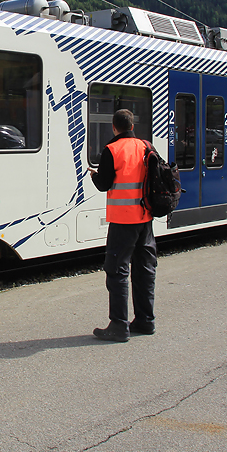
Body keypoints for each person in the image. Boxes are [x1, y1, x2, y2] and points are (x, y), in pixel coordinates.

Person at [87, 108, 157, 342]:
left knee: (117, 271)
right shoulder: (146, 146)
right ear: (132, 126)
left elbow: (104, 184)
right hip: (145, 219)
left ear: (114, 127)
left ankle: (119, 325)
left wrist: (94, 175)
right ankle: (145, 321)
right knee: (144, 270)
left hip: (122, 220)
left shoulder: (112, 149)